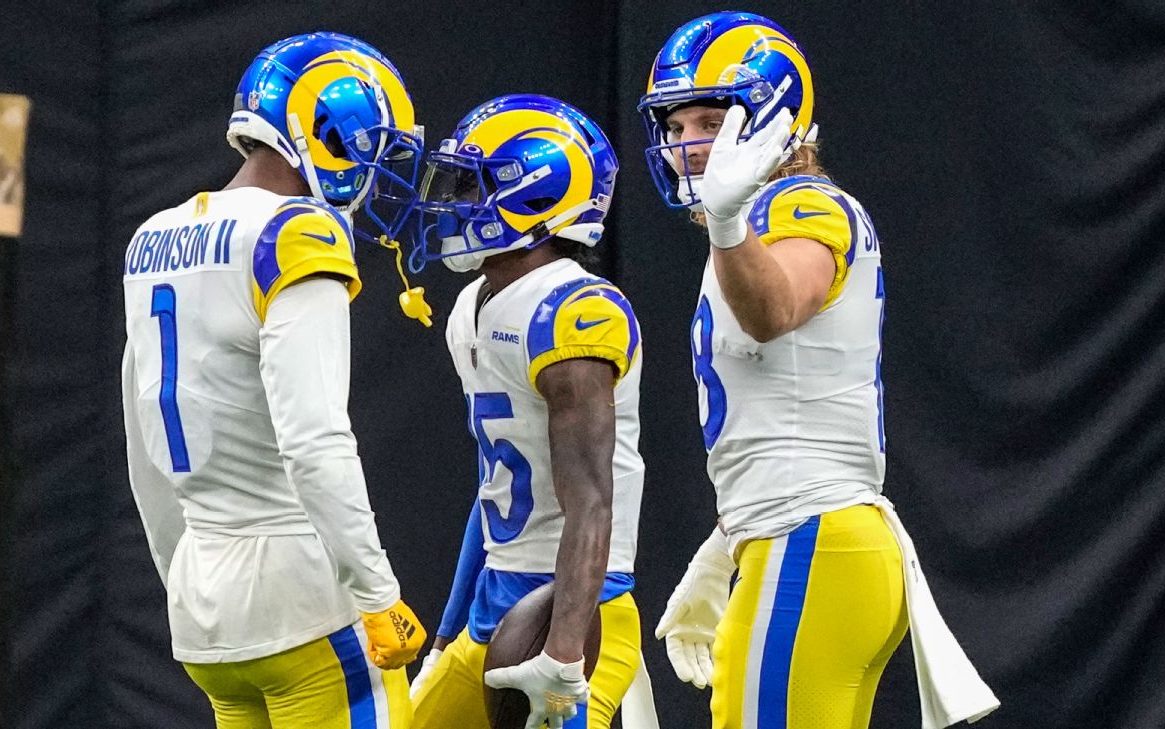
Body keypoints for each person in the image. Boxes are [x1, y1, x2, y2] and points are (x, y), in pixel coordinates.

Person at [636, 12, 999, 729]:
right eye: (675, 128)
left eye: (709, 120)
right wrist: (724, 545)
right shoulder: (759, 217)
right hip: (808, 539)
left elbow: (775, 310)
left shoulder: (798, 205)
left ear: (772, 118)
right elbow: (784, 412)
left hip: (811, 541)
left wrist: (731, 223)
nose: (687, 145)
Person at [120, 32, 427, 728]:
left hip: (204, 601)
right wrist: (376, 593)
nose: (377, 173)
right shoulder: (295, 232)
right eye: (371, 148)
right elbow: (314, 438)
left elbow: (143, 445)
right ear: (329, 132)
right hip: (302, 590)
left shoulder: (153, 237)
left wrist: (190, 577)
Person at [403, 94, 645, 729]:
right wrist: (446, 637)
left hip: (575, 610)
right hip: (495, 600)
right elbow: (492, 492)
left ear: (536, 197)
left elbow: (593, 501)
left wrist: (563, 656)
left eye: (470, 186)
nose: (452, 203)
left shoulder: (572, 309)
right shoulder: (472, 305)